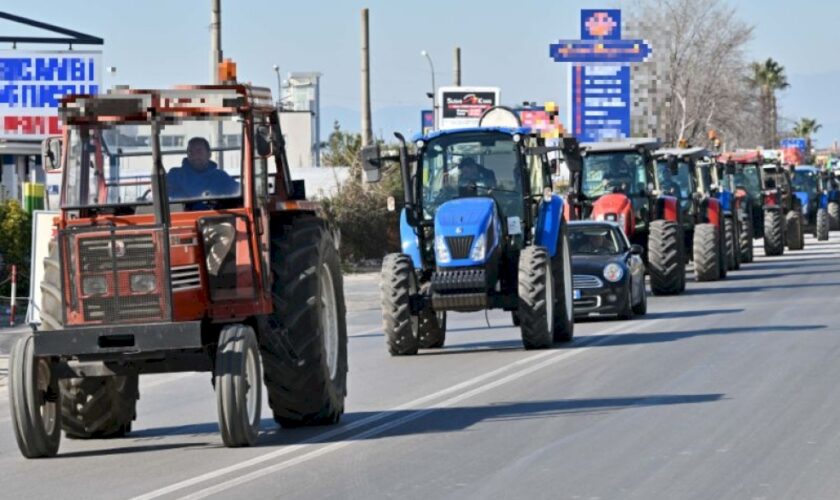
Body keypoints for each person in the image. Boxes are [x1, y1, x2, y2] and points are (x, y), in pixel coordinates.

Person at [167, 137, 240, 201]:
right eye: (191, 152)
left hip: (213, 216)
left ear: (209, 154)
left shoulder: (220, 176)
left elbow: (241, 192)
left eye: (199, 151)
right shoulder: (175, 175)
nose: (195, 156)